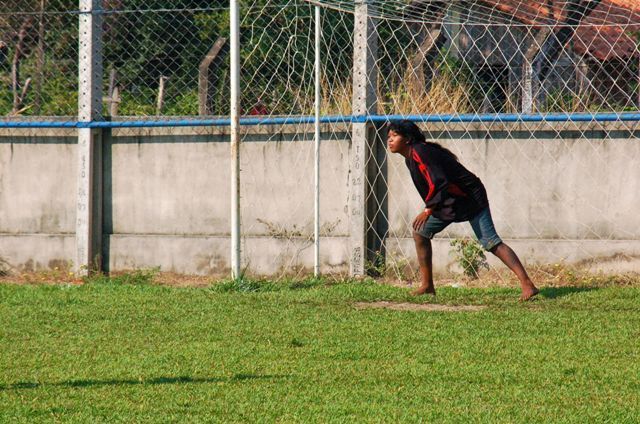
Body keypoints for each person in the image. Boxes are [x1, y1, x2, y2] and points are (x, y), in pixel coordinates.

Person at [386, 120, 539, 301]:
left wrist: (428, 210)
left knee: (491, 242)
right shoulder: (411, 157)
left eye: (394, 136)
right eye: (389, 137)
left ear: (408, 139)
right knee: (421, 232)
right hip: (449, 200)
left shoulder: (420, 152)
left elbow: (439, 181)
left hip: (470, 197)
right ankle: (427, 286)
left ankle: (527, 284)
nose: (390, 140)